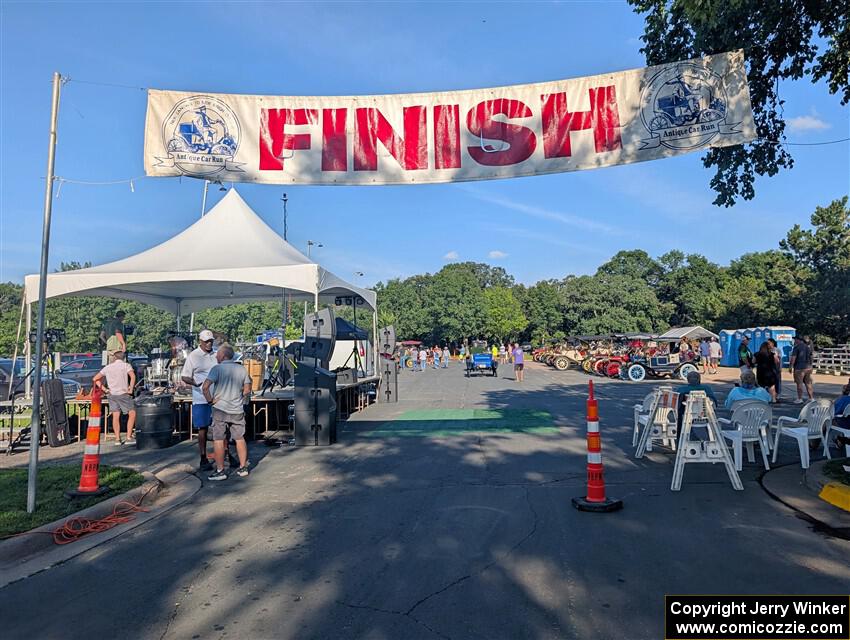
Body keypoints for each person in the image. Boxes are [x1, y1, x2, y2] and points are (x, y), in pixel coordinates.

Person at [202, 344, 251, 481]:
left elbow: (205, 387)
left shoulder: (216, 369)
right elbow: (247, 390)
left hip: (220, 408)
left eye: (218, 354)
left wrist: (210, 400)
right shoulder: (242, 369)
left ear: (223, 356)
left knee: (218, 439)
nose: (216, 356)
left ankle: (220, 470)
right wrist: (240, 399)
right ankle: (243, 467)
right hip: (237, 409)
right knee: (239, 438)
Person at [181, 329, 219, 471]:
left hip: (217, 396)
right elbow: (184, 376)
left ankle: (224, 454)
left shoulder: (216, 354)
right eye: (206, 341)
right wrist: (194, 383)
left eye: (211, 341)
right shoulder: (194, 356)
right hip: (201, 397)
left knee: (222, 426)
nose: (209, 344)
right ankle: (203, 457)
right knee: (203, 428)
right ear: (200, 342)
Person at [92, 350, 136, 445]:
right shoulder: (126, 365)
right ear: (124, 358)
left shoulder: (108, 367)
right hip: (123, 393)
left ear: (115, 358)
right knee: (132, 413)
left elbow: (95, 379)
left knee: (116, 416)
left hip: (112, 394)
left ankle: (117, 439)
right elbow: (133, 376)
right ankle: (128, 437)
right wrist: (131, 389)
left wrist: (105, 389)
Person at [789, 335, 814, 404]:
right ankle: (811, 398)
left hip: (799, 367)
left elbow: (793, 358)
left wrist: (791, 366)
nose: (794, 341)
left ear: (798, 340)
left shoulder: (796, 347)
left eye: (795, 339)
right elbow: (811, 357)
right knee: (808, 383)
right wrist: (811, 365)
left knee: (799, 383)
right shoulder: (807, 347)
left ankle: (800, 398)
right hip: (808, 367)